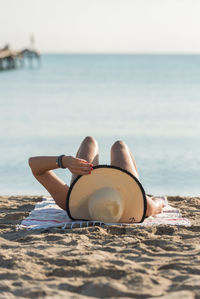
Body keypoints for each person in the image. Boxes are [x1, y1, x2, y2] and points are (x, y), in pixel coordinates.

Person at [28, 136, 164, 222]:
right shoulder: (146, 208)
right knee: (119, 146)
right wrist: (154, 199)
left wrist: (65, 161)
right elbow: (158, 204)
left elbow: (34, 164)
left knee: (89, 141)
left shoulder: (69, 203)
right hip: (124, 191)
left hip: (96, 182)